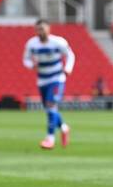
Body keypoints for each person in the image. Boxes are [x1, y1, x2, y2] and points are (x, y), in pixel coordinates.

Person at [23, 19, 75, 149]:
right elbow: (26, 59)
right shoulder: (32, 44)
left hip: (57, 78)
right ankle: (64, 127)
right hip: (42, 79)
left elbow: (70, 55)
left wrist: (68, 69)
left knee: (51, 105)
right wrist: (31, 65)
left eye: (43, 29)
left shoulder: (58, 42)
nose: (40, 31)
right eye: (38, 29)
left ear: (49, 29)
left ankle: (50, 139)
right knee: (49, 109)